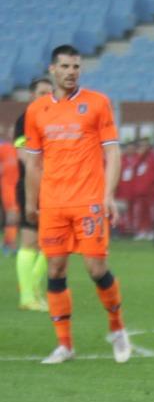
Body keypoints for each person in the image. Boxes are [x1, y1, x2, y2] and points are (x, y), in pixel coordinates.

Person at [23, 45, 132, 364]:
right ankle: (65, 345)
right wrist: (32, 201)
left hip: (88, 201)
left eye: (76, 67)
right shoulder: (36, 111)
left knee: (95, 268)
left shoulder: (97, 103)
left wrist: (108, 195)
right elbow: (33, 163)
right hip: (53, 203)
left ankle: (116, 326)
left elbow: (112, 152)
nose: (72, 72)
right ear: (52, 69)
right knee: (55, 269)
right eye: (66, 67)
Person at [12, 78, 54, 310]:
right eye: (41, 93)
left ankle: (33, 288)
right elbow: (25, 157)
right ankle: (27, 297)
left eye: (49, 93)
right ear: (32, 96)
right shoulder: (25, 120)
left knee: (54, 243)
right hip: (31, 186)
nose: (45, 97)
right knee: (30, 241)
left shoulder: (55, 122)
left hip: (54, 188)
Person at [130, 137, 154, 240]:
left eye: (145, 145)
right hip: (139, 191)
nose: (143, 148)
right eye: (141, 145)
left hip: (150, 191)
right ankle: (141, 231)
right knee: (140, 213)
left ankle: (151, 231)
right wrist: (139, 156)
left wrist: (150, 186)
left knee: (151, 213)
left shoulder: (153, 157)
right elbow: (133, 169)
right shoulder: (138, 158)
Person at [1, 122, 18, 253]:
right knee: (12, 215)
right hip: (8, 187)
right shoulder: (4, 148)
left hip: (18, 187)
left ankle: (9, 243)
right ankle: (8, 244)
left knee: (15, 215)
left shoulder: (17, 148)